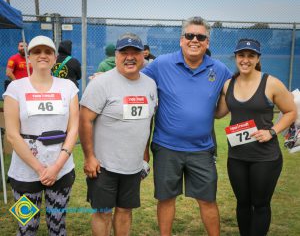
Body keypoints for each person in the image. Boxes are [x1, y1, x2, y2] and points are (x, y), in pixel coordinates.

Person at [142, 16, 232, 236]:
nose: (195, 40)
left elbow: (239, 91)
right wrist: (105, 77)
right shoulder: (162, 64)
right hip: (166, 147)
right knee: (165, 199)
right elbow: (133, 80)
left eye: (200, 37)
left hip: (201, 149)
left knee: (208, 199)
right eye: (189, 35)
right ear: (181, 40)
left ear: (207, 42)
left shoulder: (219, 69)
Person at [215, 38, 296, 236]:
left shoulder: (272, 83)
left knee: (260, 204)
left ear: (258, 58)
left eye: (251, 56)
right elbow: (218, 113)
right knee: (242, 203)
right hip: (237, 156)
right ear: (236, 57)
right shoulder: (228, 84)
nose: (245, 60)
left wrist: (272, 131)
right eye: (241, 55)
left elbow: (291, 112)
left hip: (265, 157)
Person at [79, 32, 157, 236]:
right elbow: (84, 120)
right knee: (103, 212)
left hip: (132, 165)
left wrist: (144, 153)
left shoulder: (150, 84)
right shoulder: (101, 83)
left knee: (125, 210)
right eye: (124, 52)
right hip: (104, 165)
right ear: (116, 55)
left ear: (143, 56)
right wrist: (89, 157)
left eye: (135, 52)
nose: (130, 57)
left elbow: (147, 120)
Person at [3, 35, 79, 235]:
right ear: (29, 58)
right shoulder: (15, 88)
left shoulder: (69, 88)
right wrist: (40, 169)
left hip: (60, 170)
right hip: (24, 172)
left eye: (48, 52)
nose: (42, 55)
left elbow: (73, 129)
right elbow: (12, 135)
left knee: (58, 227)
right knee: (26, 228)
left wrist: (55, 167)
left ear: (55, 57)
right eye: (37, 51)